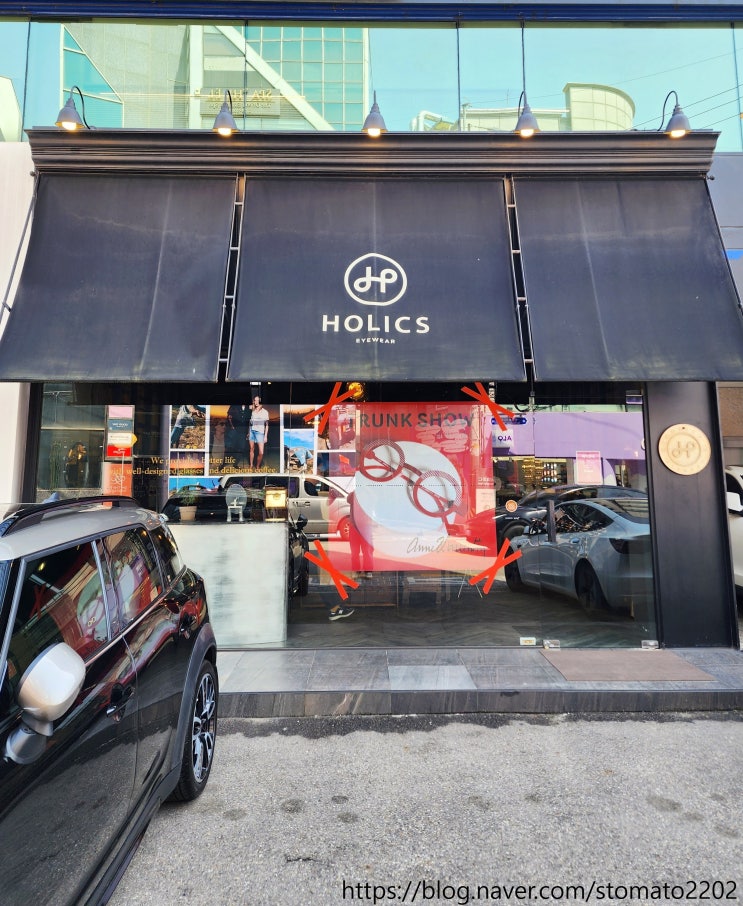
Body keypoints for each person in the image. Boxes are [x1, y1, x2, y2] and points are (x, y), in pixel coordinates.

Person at [226, 403, 251, 469]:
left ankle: (235, 464)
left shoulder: (248, 408)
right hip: (234, 430)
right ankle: (223, 464)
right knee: (230, 447)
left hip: (243, 432)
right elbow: (229, 416)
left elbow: (249, 421)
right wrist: (232, 427)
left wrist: (248, 432)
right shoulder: (234, 405)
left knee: (241, 448)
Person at [249, 396, 270, 470]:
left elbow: (267, 425)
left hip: (260, 433)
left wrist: (265, 436)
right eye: (255, 400)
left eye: (258, 400)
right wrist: (248, 432)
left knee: (261, 452)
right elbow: (250, 423)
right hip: (252, 431)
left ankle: (257, 466)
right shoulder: (252, 411)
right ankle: (251, 465)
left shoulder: (265, 412)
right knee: (251, 449)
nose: (256, 402)